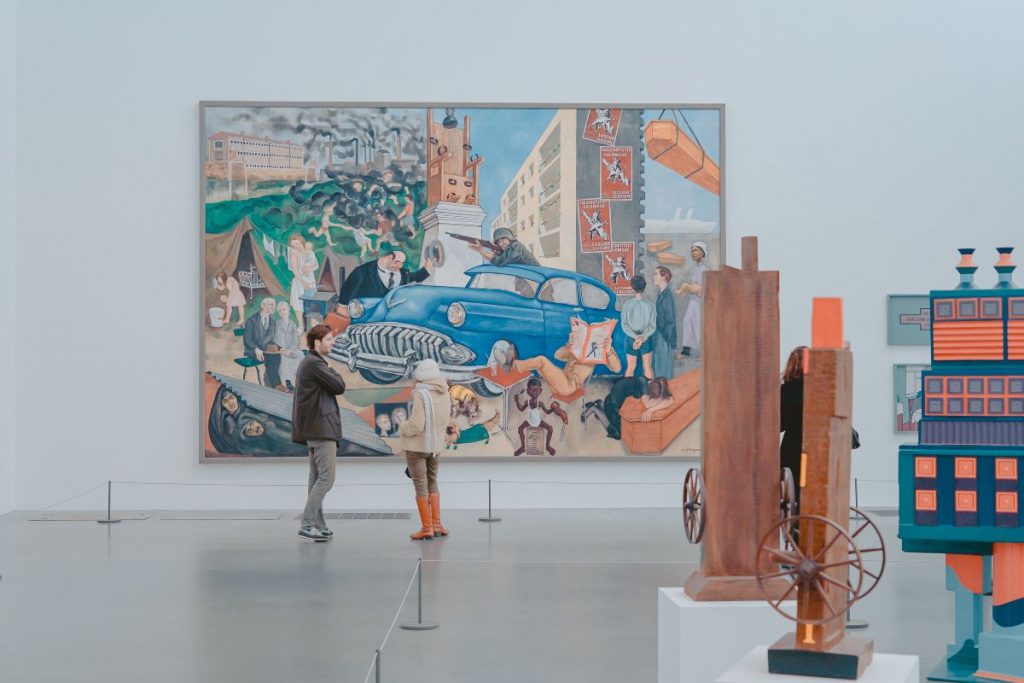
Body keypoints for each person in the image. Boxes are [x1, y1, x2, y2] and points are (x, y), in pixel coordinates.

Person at [291, 324, 347, 542]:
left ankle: (319, 524)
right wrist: (331, 368)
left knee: (316, 479)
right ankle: (307, 523)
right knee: (327, 478)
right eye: (329, 339)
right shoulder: (315, 363)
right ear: (317, 342)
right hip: (322, 429)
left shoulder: (310, 363)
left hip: (315, 429)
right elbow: (339, 386)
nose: (332, 342)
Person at [399, 359, 453, 541]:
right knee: (432, 481)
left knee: (420, 484)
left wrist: (402, 426)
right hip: (435, 447)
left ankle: (426, 527)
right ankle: (437, 525)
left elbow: (416, 425)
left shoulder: (421, 394)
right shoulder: (445, 392)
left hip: (417, 448)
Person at [514, 318, 622, 396]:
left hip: (569, 386)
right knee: (541, 363)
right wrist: (570, 345)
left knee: (541, 360)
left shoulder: (603, 351)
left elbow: (617, 368)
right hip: (561, 378)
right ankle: (512, 364)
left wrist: (608, 351)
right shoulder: (579, 347)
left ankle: (513, 365)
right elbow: (557, 355)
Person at [583, 377, 674, 440]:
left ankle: (600, 404)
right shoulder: (642, 385)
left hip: (613, 399)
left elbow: (671, 400)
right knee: (618, 434)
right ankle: (594, 408)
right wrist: (652, 408)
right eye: (658, 397)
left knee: (620, 422)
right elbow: (648, 405)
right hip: (612, 404)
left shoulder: (650, 383)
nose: (658, 399)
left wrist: (652, 409)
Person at [338, 248, 434, 305]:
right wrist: (343, 305)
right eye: (397, 262)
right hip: (367, 316)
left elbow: (416, 277)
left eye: (402, 263)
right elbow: (349, 289)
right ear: (387, 258)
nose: (400, 266)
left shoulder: (403, 273)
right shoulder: (362, 271)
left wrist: (428, 267)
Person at [780, 346, 807, 512]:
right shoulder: (820, 390)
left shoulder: (784, 392)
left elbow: (779, 425)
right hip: (815, 449)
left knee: (794, 494)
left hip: (792, 449)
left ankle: (795, 534)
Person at [676, 241, 709, 358]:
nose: (693, 253)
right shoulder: (694, 269)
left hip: (700, 302)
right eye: (692, 251)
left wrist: (691, 289)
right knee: (688, 322)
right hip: (693, 301)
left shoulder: (705, 270)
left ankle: (703, 352)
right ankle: (686, 350)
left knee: (699, 325)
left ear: (702, 252)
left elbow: (705, 289)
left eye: (695, 250)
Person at [243, 297, 283, 390]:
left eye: (274, 305)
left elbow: (271, 339)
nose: (274, 307)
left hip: (265, 349)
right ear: (263, 306)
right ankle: (277, 385)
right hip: (253, 350)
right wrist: (256, 349)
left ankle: (271, 383)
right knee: (271, 357)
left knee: (277, 355)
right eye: (271, 304)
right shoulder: (251, 320)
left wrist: (280, 348)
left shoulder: (272, 321)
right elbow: (247, 340)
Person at [621, 274, 656, 379]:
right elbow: (652, 326)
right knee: (648, 367)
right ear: (644, 288)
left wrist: (635, 337)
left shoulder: (626, 305)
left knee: (630, 367)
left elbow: (624, 325)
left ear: (632, 288)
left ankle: (627, 393)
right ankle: (651, 392)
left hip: (631, 339)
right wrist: (642, 338)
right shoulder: (651, 305)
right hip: (646, 339)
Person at [651, 266, 677, 379]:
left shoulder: (666, 295)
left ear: (664, 277)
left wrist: (666, 338)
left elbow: (670, 320)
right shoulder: (661, 294)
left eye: (656, 274)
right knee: (658, 365)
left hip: (664, 336)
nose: (653, 277)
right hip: (659, 334)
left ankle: (663, 392)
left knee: (663, 366)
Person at [468, 227, 540, 267]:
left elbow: (499, 261)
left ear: (509, 238)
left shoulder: (516, 246)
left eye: (503, 239)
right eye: (498, 242)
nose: (501, 243)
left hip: (537, 282)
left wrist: (480, 250)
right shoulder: (510, 250)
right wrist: (497, 253)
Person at [288, 235, 318, 326]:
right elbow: (296, 271)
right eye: (293, 245)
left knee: (311, 300)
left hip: (310, 279)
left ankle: (313, 321)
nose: (296, 246)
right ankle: (301, 325)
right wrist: (304, 283)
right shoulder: (293, 254)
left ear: (301, 242)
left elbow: (317, 265)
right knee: (298, 304)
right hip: (299, 281)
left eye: (297, 243)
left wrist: (309, 268)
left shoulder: (310, 252)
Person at [273, 301, 302, 391]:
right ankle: (288, 381)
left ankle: (300, 378)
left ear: (288, 311)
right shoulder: (277, 324)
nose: (282, 312)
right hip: (280, 349)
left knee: (300, 354)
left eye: (284, 309)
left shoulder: (293, 324)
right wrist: (282, 348)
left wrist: (291, 349)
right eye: (280, 311)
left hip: (291, 348)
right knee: (285, 358)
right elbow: (275, 339)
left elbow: (296, 341)